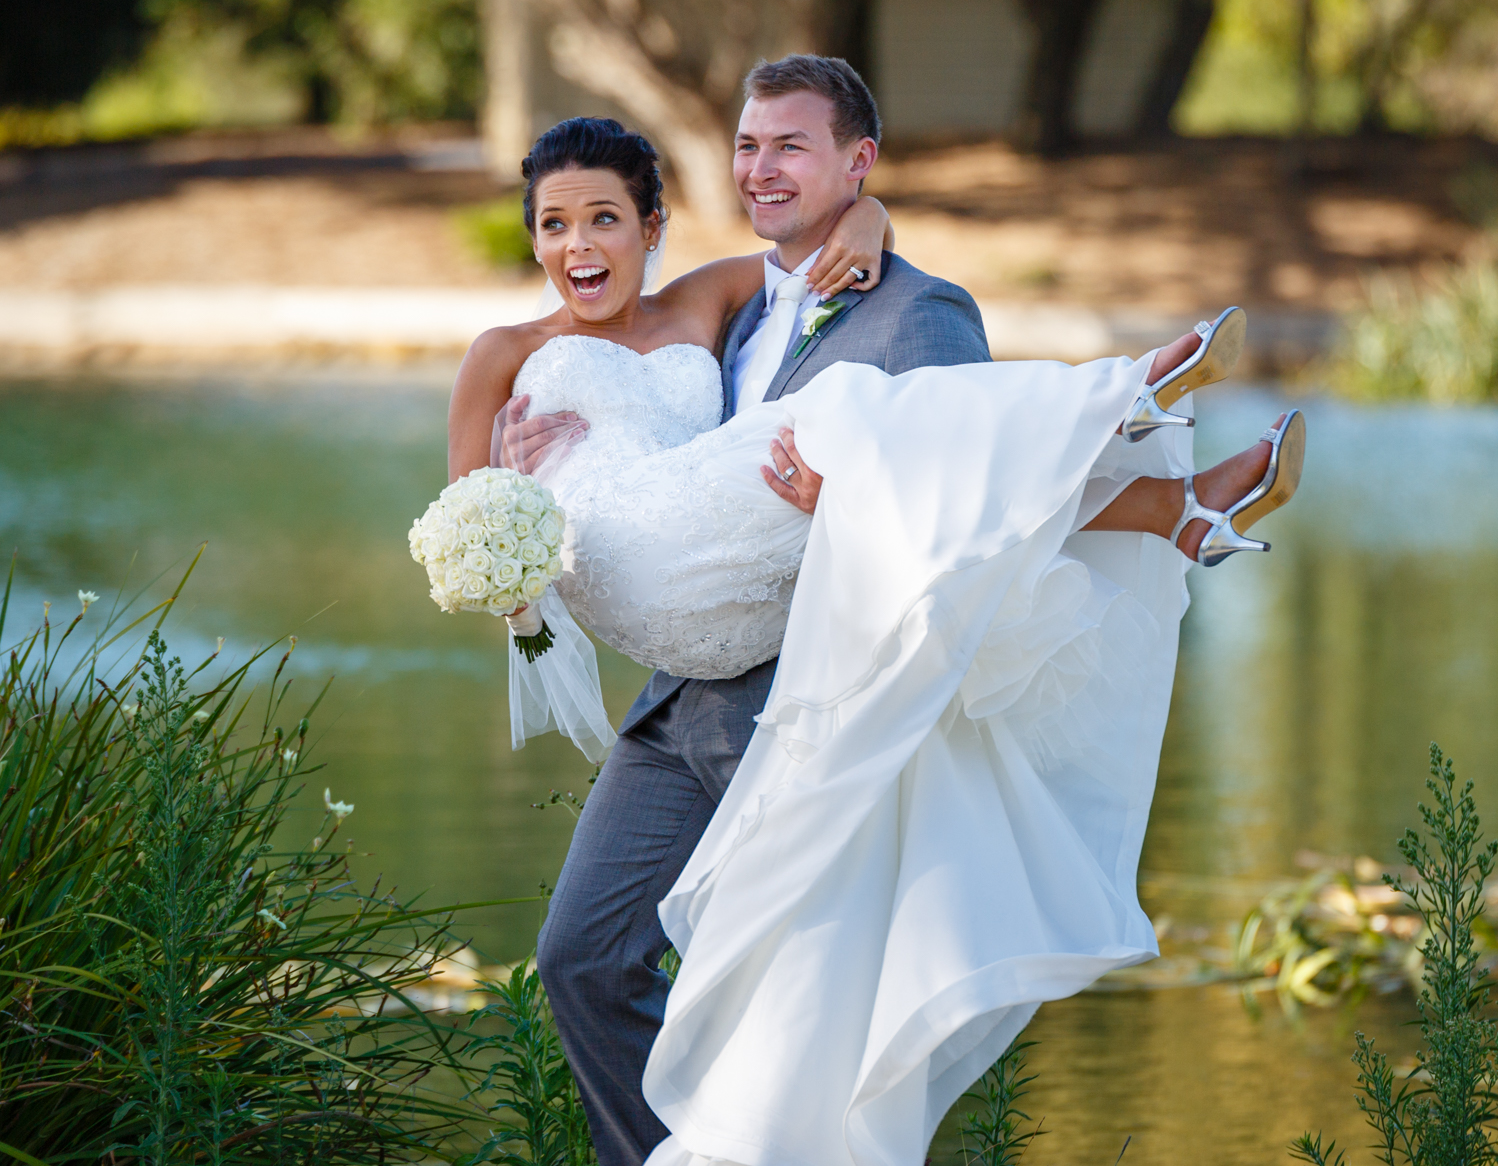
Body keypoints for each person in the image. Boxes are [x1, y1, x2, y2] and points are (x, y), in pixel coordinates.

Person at [444, 59, 1304, 1166]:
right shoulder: (572, 345)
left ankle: (1131, 406)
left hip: (801, 697)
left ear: (650, 225)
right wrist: (514, 515)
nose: (579, 244)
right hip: (673, 695)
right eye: (554, 224)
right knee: (579, 962)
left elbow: (955, 506)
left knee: (797, 1016)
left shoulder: (775, 303)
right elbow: (467, 536)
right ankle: (1168, 491)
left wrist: (873, 220)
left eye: (603, 217)